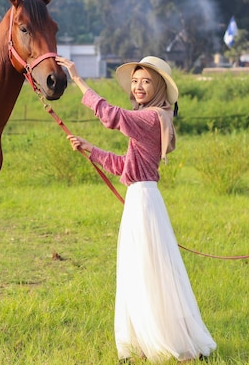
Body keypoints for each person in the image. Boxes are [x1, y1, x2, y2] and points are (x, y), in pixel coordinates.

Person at [55, 56, 216, 363]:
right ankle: (146, 338)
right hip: (139, 198)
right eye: (135, 81)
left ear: (158, 88)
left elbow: (111, 115)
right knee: (140, 271)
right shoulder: (151, 119)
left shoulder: (152, 118)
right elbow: (125, 166)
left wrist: (77, 79)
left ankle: (162, 341)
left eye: (146, 82)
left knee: (146, 271)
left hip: (143, 202)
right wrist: (91, 149)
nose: (139, 86)